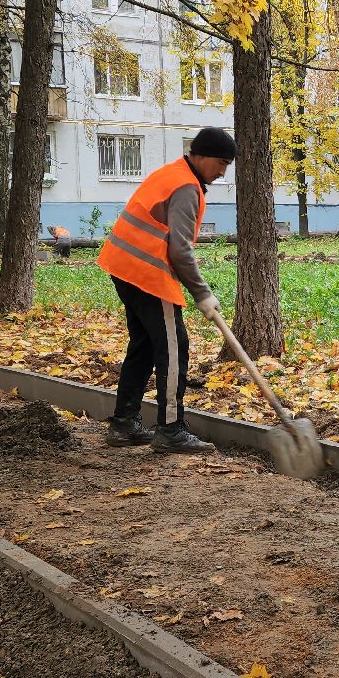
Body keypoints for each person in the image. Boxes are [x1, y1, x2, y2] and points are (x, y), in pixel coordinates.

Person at [94, 127, 232, 451]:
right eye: (221, 162)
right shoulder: (186, 186)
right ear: (199, 155)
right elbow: (180, 251)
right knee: (173, 347)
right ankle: (170, 428)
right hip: (147, 273)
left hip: (122, 265)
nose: (223, 171)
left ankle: (124, 423)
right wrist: (202, 293)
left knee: (143, 345)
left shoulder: (171, 174)